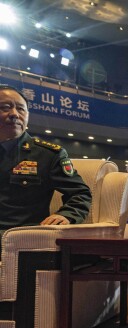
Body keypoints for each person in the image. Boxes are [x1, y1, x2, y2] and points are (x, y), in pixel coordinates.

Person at [0, 84, 91, 240]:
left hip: (20, 239)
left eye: (21, 109)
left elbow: (80, 194)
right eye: (5, 107)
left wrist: (67, 215)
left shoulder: (47, 155)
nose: (14, 114)